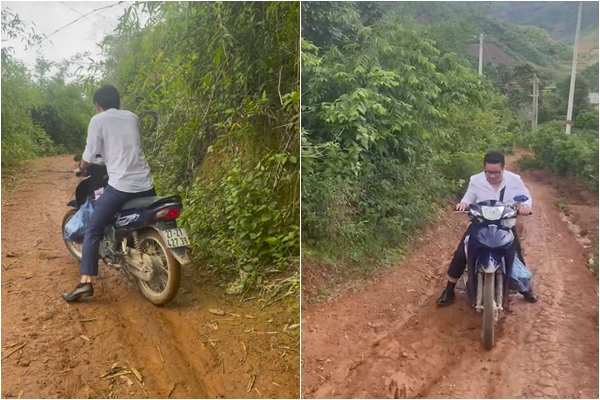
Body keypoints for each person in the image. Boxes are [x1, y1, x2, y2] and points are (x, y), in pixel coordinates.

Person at [62, 85, 156, 302]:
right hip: (146, 184)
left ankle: (85, 283)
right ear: (118, 102)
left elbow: (90, 150)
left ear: (98, 105)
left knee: (93, 229)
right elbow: (123, 146)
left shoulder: (99, 120)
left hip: (122, 188)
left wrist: (82, 167)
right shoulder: (132, 117)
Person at [436, 151, 538, 306]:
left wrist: (525, 206)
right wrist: (463, 204)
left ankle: (525, 288)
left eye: (496, 173)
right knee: (461, 254)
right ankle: (449, 290)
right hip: (480, 225)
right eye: (488, 172)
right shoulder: (476, 180)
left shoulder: (514, 180)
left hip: (505, 225)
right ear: (484, 169)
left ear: (503, 169)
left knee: (516, 255)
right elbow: (468, 197)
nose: (491, 176)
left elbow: (525, 196)